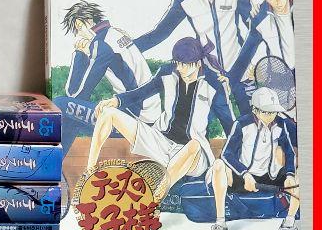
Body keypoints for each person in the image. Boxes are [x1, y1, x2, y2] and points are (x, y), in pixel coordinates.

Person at [85, 38, 234, 211]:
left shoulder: (214, 85)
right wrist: (116, 101)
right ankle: (89, 174)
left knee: (193, 145)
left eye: (185, 64)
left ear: (198, 63)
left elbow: (231, 128)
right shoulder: (167, 72)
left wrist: (227, 164)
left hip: (194, 155)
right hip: (162, 142)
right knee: (108, 113)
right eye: (177, 63)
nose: (180, 68)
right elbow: (141, 93)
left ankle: (150, 202)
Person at [202, 86, 300, 230]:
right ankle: (220, 227)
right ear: (255, 110)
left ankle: (288, 228)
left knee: (301, 175)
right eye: (266, 112)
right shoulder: (242, 124)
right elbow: (227, 154)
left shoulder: (281, 125)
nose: (270, 116)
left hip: (270, 175)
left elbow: (290, 153)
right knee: (218, 165)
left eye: (273, 112)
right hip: (243, 175)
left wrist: (290, 174)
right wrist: (245, 174)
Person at [61, 1, 160, 122]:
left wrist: (79, 54)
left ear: (78, 24)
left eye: (76, 31)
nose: (78, 35)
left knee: (62, 104)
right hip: (151, 110)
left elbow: (74, 94)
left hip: (136, 114)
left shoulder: (100, 44)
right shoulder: (116, 33)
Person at [227, 0, 295, 82]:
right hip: (278, 80)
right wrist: (230, 79)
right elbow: (247, 52)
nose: (276, 2)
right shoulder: (260, 17)